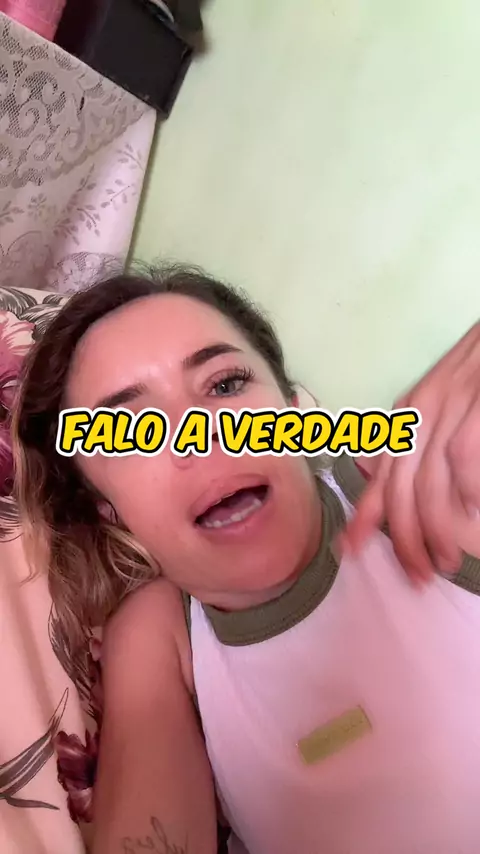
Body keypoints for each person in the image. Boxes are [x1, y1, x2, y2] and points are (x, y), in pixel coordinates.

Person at [12, 265, 480, 854]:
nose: (201, 434)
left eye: (226, 384)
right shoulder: (158, 633)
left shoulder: (410, 488)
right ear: (106, 506)